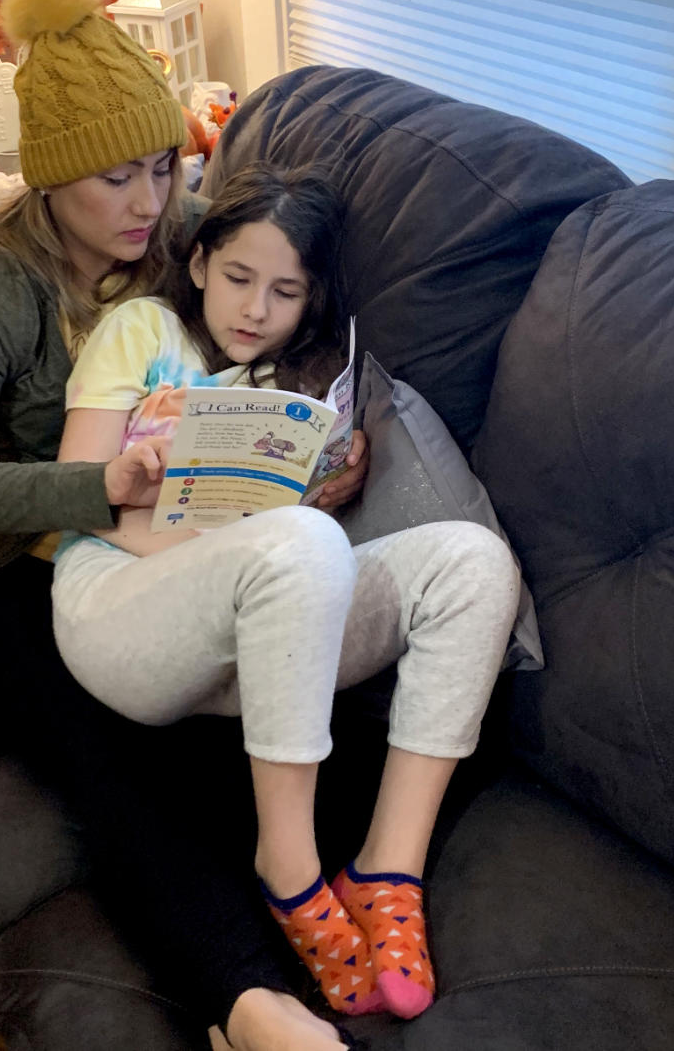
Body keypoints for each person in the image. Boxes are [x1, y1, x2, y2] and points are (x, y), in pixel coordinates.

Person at [0, 0, 371, 1051]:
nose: (150, 203)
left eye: (163, 166)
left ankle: (312, 898)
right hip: (1, 564)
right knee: (112, 752)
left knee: (250, 719)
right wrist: (99, 483)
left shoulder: (187, 233)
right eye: (115, 179)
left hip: (164, 537)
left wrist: (326, 454)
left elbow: (278, 321)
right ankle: (251, 1007)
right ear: (52, 181)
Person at [51, 163, 521, 1025]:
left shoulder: (299, 385)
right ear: (197, 264)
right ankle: (292, 869)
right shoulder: (142, 328)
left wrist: (328, 489)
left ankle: (387, 867)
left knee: (475, 562)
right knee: (299, 545)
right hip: (120, 597)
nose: (255, 310)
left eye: (285, 292)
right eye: (236, 278)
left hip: (263, 628)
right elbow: (78, 489)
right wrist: (212, 530)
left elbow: (293, 555)